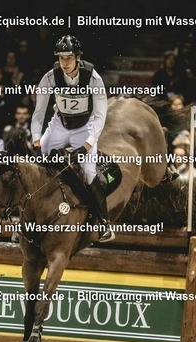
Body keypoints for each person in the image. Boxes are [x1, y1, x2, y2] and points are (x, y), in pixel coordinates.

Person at [31, 35, 113, 242]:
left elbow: (101, 116)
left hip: (85, 127)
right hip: (59, 124)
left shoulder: (93, 78)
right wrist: (36, 139)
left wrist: (86, 146)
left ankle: (104, 223)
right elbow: (39, 113)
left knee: (89, 172)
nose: (64, 63)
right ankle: (26, 221)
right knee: (36, 164)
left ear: (78, 57)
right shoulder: (50, 77)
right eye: (61, 58)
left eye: (69, 58)